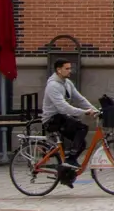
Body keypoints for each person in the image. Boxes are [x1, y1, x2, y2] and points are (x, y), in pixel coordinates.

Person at [42, 58, 98, 187]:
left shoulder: (67, 83)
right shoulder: (52, 86)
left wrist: (94, 110)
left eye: (70, 68)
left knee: (82, 143)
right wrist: (83, 112)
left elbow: (79, 98)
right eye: (67, 68)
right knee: (82, 128)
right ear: (58, 70)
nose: (70, 71)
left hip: (62, 116)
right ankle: (70, 159)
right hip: (52, 119)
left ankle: (66, 173)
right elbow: (63, 107)